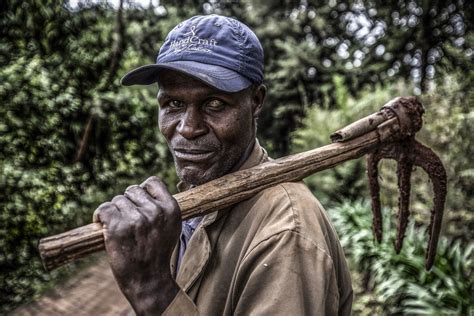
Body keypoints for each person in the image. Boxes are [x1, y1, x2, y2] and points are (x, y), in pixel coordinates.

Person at [93, 14, 353, 315]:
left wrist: (153, 291)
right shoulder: (197, 196)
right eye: (173, 104)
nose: (188, 128)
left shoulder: (286, 235)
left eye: (214, 104)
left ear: (256, 101)